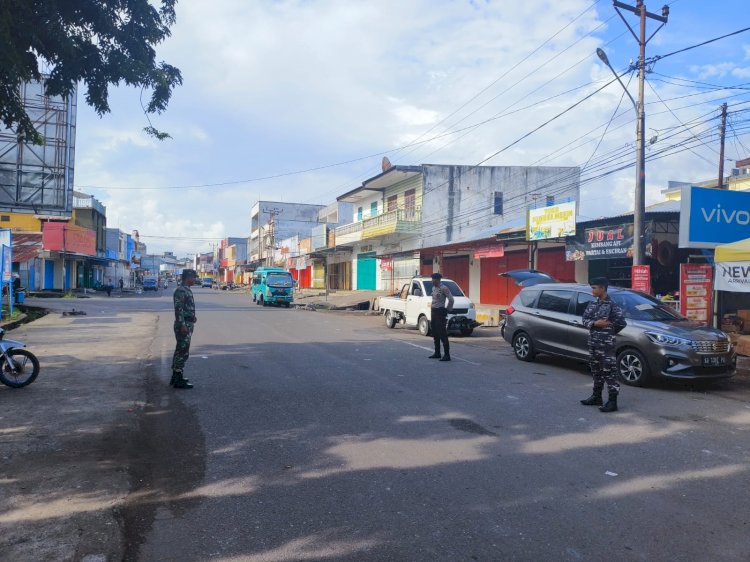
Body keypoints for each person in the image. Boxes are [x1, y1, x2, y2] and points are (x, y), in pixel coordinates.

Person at [581, 277, 627, 412]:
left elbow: (621, 323)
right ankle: (596, 396)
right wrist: (595, 324)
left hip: (606, 345)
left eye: (594, 287)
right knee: (596, 370)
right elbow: (584, 319)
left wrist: (609, 331)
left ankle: (613, 401)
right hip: (593, 343)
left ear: (602, 288)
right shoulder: (592, 304)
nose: (592, 290)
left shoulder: (612, 305)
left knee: (609, 372)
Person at [170, 269, 199, 389]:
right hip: (183, 325)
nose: (195, 279)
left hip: (187, 323)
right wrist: (182, 324)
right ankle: (178, 380)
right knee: (182, 352)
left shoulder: (186, 290)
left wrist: (192, 317)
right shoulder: (181, 290)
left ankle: (176, 376)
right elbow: (179, 309)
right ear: (188, 277)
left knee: (180, 351)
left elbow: (186, 307)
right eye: (194, 277)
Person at [428, 272, 454, 362]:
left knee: (442, 333)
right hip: (434, 312)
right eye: (432, 279)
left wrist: (447, 309)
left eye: (433, 279)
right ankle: (437, 353)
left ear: (438, 280)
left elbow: (451, 299)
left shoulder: (444, 288)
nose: (432, 281)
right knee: (435, 333)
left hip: (440, 311)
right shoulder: (433, 288)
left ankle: (447, 355)